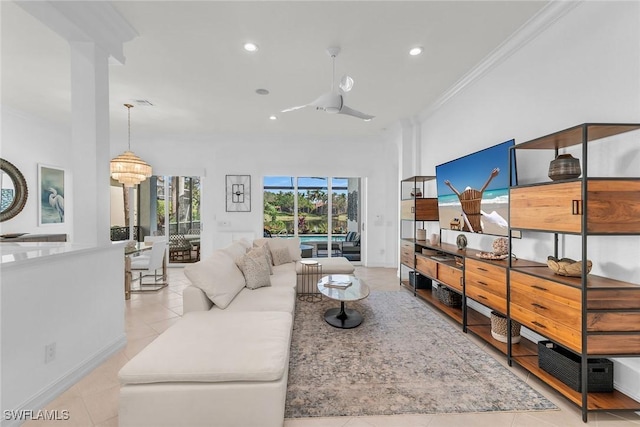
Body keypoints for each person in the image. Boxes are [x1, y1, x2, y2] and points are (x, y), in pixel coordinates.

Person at [444, 167, 499, 233]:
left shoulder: (462, 198)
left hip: (467, 227)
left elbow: (456, 192)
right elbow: (484, 187)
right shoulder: (478, 197)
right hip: (477, 226)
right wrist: (491, 176)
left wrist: (449, 185)